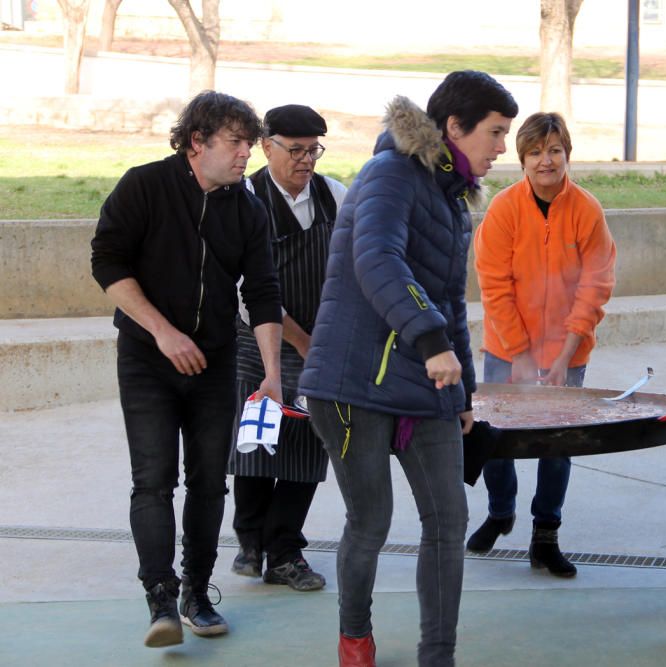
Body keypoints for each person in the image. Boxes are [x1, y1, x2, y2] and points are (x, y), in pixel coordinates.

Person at [299, 70, 518, 667]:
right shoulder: (389, 174)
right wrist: (428, 343)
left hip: (428, 385)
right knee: (371, 521)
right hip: (352, 384)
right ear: (454, 127)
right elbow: (377, 259)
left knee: (449, 520)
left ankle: (437, 655)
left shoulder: (451, 200)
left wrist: (465, 392)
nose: (503, 147)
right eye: (496, 133)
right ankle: (355, 637)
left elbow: (448, 301)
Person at [90, 91, 283, 648]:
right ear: (197, 143)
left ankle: (197, 591)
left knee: (207, 484)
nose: (248, 152)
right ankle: (160, 599)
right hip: (148, 360)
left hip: (216, 364)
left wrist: (272, 375)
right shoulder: (144, 185)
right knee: (153, 481)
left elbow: (264, 294)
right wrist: (162, 331)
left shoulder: (246, 208)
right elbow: (107, 260)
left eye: (250, 142)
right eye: (237, 142)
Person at [467, 111, 617, 577]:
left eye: (554, 150)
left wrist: (565, 356)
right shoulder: (505, 210)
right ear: (523, 159)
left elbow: (595, 286)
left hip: (568, 350)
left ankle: (546, 535)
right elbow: (495, 287)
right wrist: (521, 357)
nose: (545, 161)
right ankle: (500, 510)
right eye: (535, 152)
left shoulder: (587, 210)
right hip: (506, 349)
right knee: (492, 438)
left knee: (557, 445)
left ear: (567, 154)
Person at [227, 104, 348, 592]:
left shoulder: (334, 195)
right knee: (258, 441)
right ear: (266, 146)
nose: (306, 160)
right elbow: (244, 289)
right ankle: (249, 540)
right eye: (295, 149)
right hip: (255, 340)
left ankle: (284, 550)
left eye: (313, 149)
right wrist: (302, 340)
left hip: (321, 342)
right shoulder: (243, 198)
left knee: (307, 447)